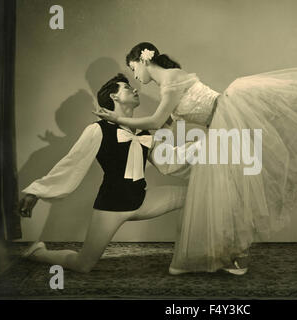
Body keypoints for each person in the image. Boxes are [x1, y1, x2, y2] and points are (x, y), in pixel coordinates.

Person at [93, 42, 297, 275]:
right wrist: (118, 128)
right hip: (227, 124)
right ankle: (236, 256)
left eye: (133, 68)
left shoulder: (171, 80)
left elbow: (153, 121)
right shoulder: (171, 89)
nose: (134, 76)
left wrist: (119, 119)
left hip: (233, 112)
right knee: (232, 187)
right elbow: (160, 126)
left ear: (143, 58)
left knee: (294, 98)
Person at [19, 73, 194, 273]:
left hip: (142, 199)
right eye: (127, 88)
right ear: (114, 97)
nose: (135, 89)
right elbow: (71, 164)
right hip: (112, 206)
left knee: (194, 196)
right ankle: (37, 253)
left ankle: (189, 257)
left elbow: (167, 163)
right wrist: (36, 191)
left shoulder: (144, 132)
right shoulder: (97, 130)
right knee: (83, 265)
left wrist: (204, 159)